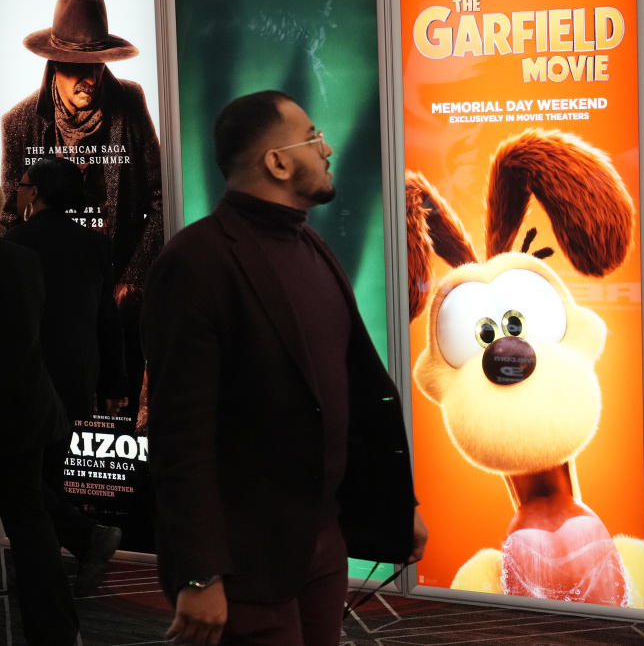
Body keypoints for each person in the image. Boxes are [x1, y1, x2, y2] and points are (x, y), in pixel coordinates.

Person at [141, 90, 427, 645]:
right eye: (313, 136)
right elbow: (180, 435)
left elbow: (357, 391)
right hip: (244, 559)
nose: (327, 148)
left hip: (320, 543)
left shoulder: (313, 248)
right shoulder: (195, 263)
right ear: (276, 162)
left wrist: (400, 508)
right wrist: (200, 572)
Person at [1, 0, 163, 424]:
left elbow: (159, 193)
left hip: (118, 296)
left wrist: (130, 279)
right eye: (76, 67)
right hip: (47, 309)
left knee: (117, 424)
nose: (89, 78)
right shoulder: (18, 123)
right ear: (54, 65)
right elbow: (8, 217)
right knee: (46, 424)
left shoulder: (129, 102)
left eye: (96, 65)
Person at [5, 156, 127, 597]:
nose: (16, 191)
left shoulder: (16, 242)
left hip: (28, 376)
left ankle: (70, 547)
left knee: (23, 478)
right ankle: (49, 562)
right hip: (77, 375)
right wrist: (114, 383)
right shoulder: (93, 244)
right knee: (46, 476)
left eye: (20, 184)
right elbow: (106, 318)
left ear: (33, 192)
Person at [0, 200, 78, 643]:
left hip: (22, 411)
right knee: (31, 526)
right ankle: (55, 632)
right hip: (23, 411)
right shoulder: (23, 260)